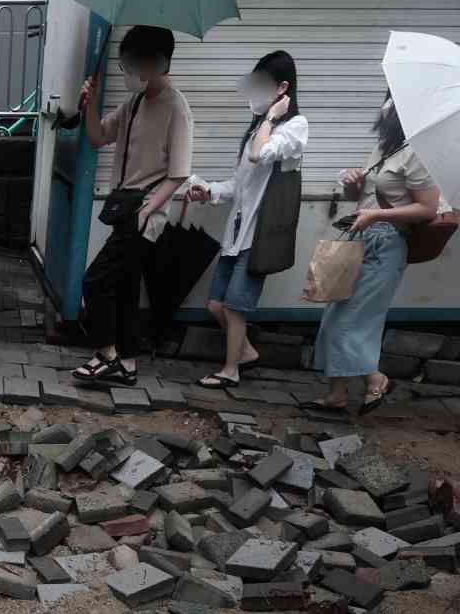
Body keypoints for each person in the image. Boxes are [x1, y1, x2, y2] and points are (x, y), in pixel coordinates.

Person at [69, 25, 192, 387]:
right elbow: (97, 137)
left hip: (143, 215)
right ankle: (127, 363)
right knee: (125, 288)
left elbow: (179, 172)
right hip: (125, 208)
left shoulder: (177, 107)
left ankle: (106, 354)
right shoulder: (134, 103)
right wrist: (90, 104)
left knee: (95, 281)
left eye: (133, 64)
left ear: (159, 63)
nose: (128, 71)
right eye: (126, 64)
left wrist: (148, 210)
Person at [300, 98, 437, 415]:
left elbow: (427, 208)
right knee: (335, 315)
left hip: (386, 244)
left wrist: (377, 216)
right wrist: (354, 183)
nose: (384, 109)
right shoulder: (384, 148)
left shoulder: (416, 154)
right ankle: (337, 394)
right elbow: (359, 197)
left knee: (352, 320)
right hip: (360, 237)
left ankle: (376, 380)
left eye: (392, 104)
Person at [184, 51, 307, 390]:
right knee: (215, 305)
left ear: (282, 88)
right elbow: (239, 185)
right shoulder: (256, 129)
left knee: (235, 308)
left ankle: (230, 370)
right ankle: (247, 353)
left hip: (259, 235)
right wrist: (208, 190)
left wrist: (271, 118)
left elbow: (260, 155)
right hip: (236, 233)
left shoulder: (295, 127)